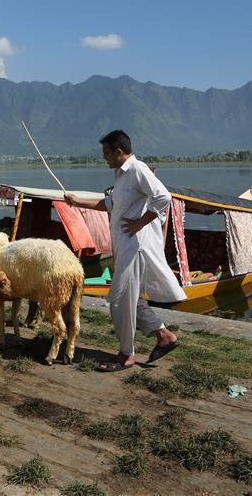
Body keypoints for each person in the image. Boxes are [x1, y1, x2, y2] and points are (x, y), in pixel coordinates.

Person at [64, 129, 184, 370]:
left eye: (107, 153)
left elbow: (163, 197)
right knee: (130, 299)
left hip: (136, 248)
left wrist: (141, 221)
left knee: (119, 300)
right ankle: (164, 336)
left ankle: (127, 355)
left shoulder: (138, 170)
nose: (104, 157)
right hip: (125, 247)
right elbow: (108, 204)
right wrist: (77, 202)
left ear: (119, 152)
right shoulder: (121, 176)